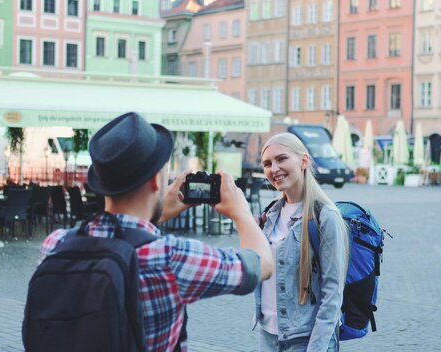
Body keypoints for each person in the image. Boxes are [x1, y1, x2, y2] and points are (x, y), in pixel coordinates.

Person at [38, 112, 273, 352]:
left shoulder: (56, 244)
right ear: (155, 181)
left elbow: (118, 236)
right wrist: (241, 213)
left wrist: (156, 211)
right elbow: (261, 265)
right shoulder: (171, 257)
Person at [254, 133, 348, 351]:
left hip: (305, 338)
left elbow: (333, 293)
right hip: (268, 335)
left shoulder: (325, 217)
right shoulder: (269, 216)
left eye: (281, 159)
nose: (273, 168)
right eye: (267, 163)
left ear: (304, 161)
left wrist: (316, 347)